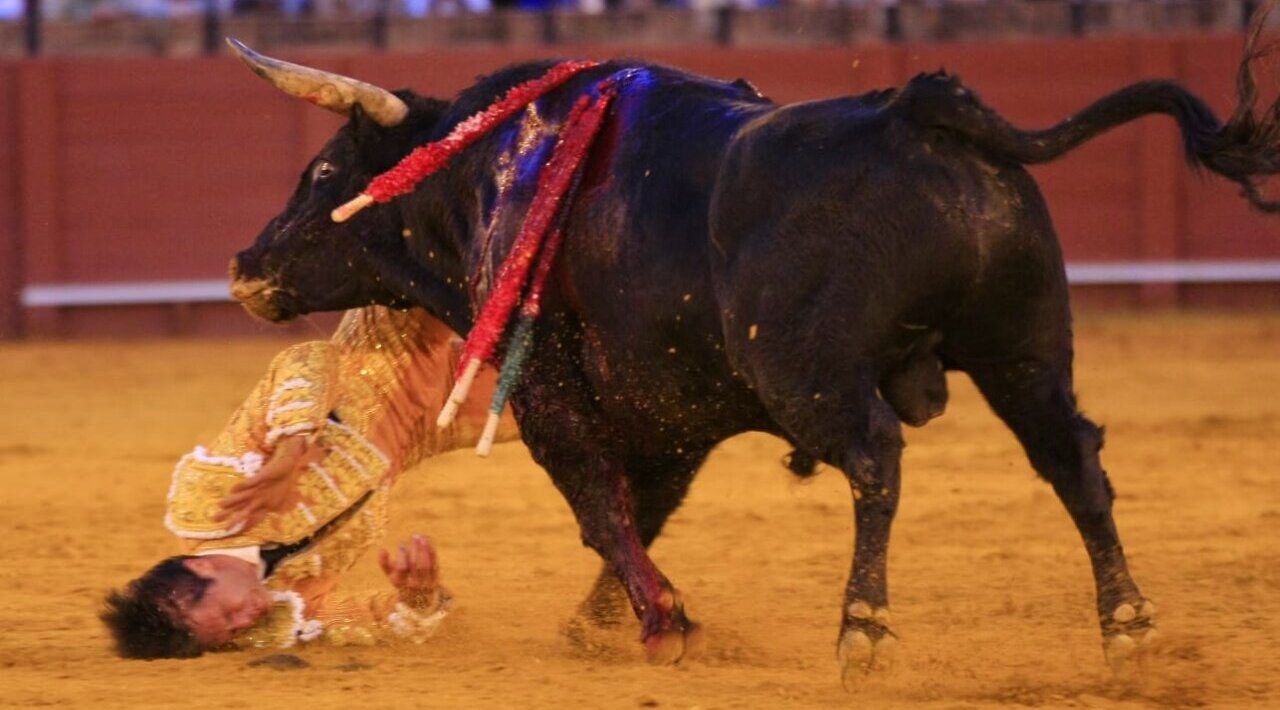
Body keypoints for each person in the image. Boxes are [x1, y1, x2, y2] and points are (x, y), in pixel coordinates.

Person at [101, 306, 518, 658]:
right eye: (229, 633)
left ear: (200, 565)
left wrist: (290, 448)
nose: (246, 622)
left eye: (228, 615)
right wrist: (419, 596)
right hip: (431, 423)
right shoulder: (287, 611)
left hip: (390, 343)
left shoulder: (211, 498)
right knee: (574, 406)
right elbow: (377, 623)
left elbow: (309, 357)